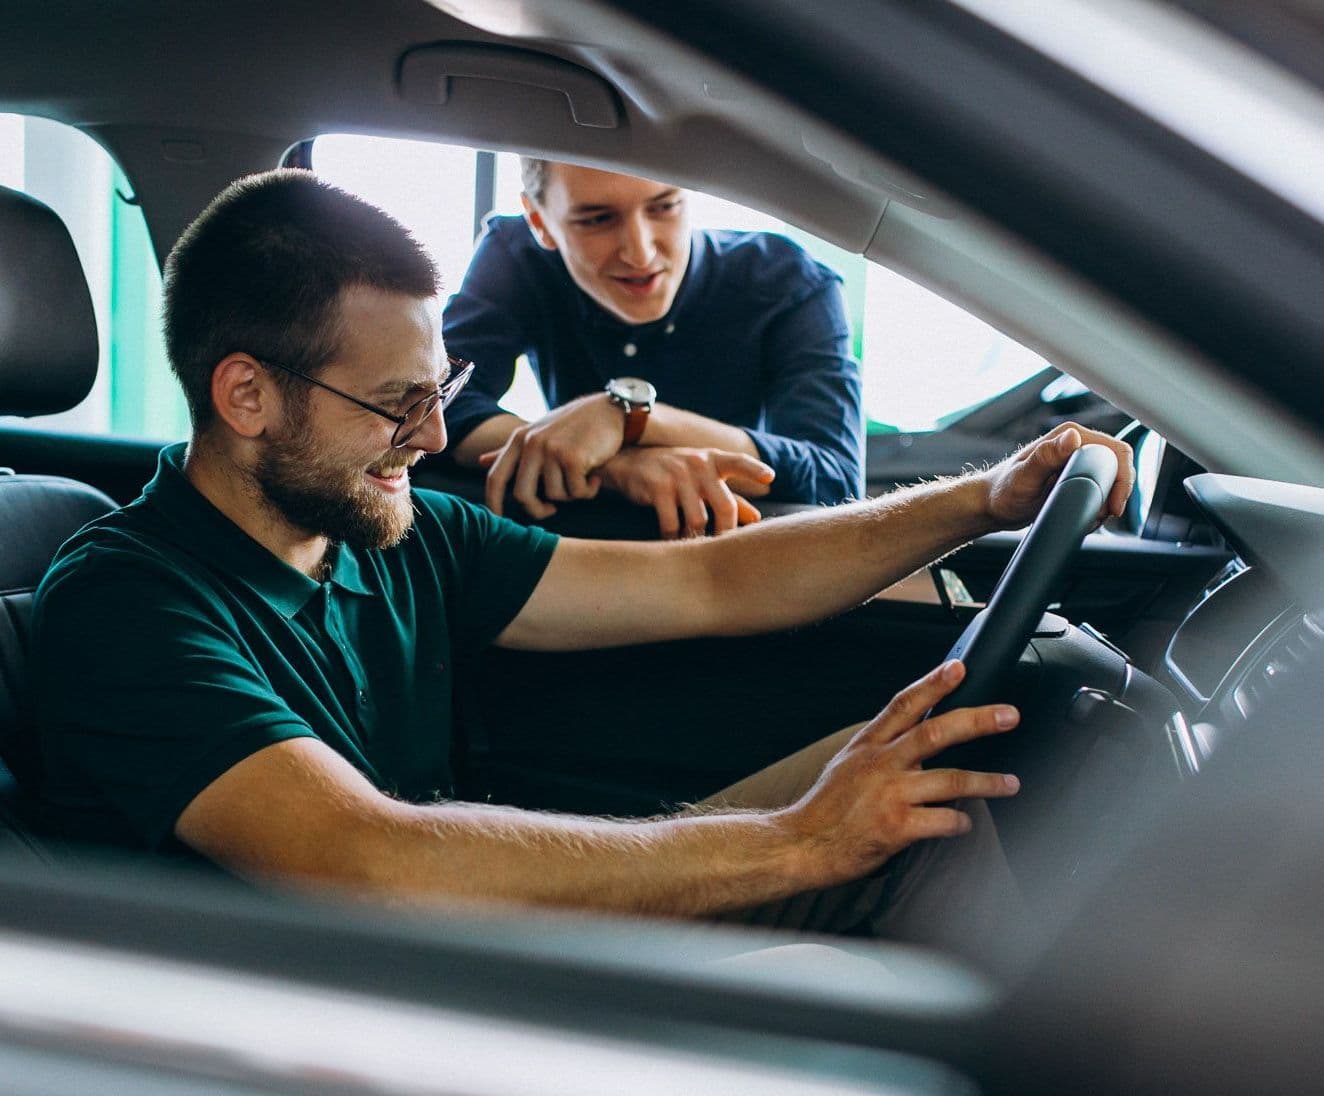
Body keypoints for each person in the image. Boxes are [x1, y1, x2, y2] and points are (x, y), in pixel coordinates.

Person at [32, 171, 1133, 942]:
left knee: (913, 774)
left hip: (469, 935)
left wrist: (984, 499)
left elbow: (716, 577)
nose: (429, 439)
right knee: (889, 835)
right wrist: (794, 843)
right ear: (246, 394)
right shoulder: (126, 601)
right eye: (394, 406)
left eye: (441, 396)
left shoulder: (397, 537)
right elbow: (364, 859)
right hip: (355, 1013)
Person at [441, 159, 865, 537]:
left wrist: (629, 418)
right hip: (578, 550)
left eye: (664, 207)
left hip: (738, 554)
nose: (640, 253)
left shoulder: (790, 281)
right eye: (597, 219)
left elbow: (837, 483)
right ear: (540, 222)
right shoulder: (516, 254)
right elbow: (432, 407)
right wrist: (614, 467)